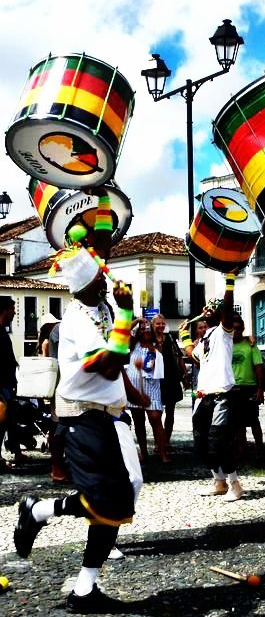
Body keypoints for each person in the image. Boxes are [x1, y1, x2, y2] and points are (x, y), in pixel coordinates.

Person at [13, 189, 147, 613]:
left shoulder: (102, 304)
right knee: (110, 498)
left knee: (129, 490)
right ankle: (44, 518)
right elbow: (107, 364)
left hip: (112, 414)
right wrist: (127, 318)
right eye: (99, 276)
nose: (107, 276)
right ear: (84, 283)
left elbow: (103, 246)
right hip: (81, 419)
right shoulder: (76, 319)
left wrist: (101, 194)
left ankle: (80, 577)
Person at [179, 271, 243, 502]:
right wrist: (184, 336)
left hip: (221, 396)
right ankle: (219, 482)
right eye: (206, 308)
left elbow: (226, 310)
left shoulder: (224, 332)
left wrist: (229, 283)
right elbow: (193, 356)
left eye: (212, 308)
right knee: (201, 444)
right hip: (202, 396)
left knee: (219, 443)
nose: (207, 310)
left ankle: (235, 484)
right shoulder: (206, 338)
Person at [125, 318, 169, 463]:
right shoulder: (134, 344)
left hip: (152, 387)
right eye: (142, 329)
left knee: (155, 419)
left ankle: (163, 453)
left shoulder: (157, 345)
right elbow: (125, 331)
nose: (145, 331)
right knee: (138, 421)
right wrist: (137, 320)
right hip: (135, 388)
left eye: (148, 329)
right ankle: (143, 453)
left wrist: (151, 327)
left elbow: (152, 363)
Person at [38, 313, 69, 484]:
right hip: (63, 387)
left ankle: (59, 467)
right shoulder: (59, 331)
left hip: (61, 386)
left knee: (58, 425)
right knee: (58, 426)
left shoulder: (54, 333)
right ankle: (57, 468)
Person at [230, 314, 264, 458]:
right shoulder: (226, 345)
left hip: (248, 387)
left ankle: (259, 448)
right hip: (232, 387)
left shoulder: (251, 345)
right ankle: (240, 447)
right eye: (233, 329)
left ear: (243, 329)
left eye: (238, 328)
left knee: (253, 420)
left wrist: (260, 389)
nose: (235, 331)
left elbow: (258, 368)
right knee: (236, 422)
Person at [152, 313, 188, 445]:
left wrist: (184, 375)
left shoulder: (170, 338)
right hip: (156, 380)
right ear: (153, 325)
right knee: (156, 414)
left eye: (163, 323)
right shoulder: (149, 339)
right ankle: (158, 442)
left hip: (171, 378)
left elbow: (179, 358)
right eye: (158, 323)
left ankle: (166, 440)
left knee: (170, 413)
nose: (161, 326)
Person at [0, 295, 23, 467]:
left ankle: (14, 452)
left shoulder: (2, 331)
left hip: (7, 384)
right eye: (12, 309)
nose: (15, 312)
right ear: (4, 311)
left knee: (7, 420)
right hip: (1, 385)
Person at [190, 319, 208, 408]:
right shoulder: (195, 344)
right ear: (197, 331)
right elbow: (196, 362)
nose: (203, 329)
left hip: (209, 381)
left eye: (205, 327)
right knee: (197, 405)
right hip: (197, 381)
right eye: (200, 328)